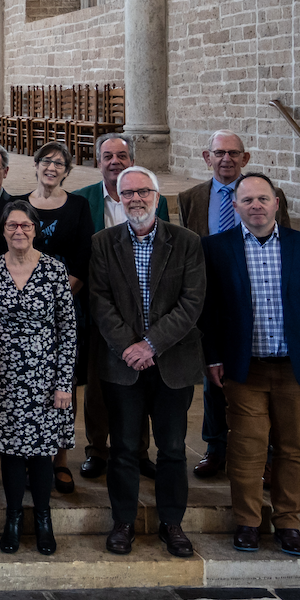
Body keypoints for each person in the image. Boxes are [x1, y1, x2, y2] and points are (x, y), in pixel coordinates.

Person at [202, 173, 300, 557]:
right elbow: (209, 311)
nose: (256, 206)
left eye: (263, 199)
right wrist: (213, 356)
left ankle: (289, 522)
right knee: (246, 447)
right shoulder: (216, 248)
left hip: (293, 366)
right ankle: (248, 522)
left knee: (291, 448)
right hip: (244, 368)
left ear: (277, 202)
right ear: (236, 206)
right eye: (247, 200)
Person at [90, 167, 205, 559]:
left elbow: (192, 302)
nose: (135, 199)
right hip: (123, 365)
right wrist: (129, 347)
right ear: (118, 198)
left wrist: (151, 345)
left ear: (157, 196)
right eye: (127, 193)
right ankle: (122, 522)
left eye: (143, 192)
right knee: (122, 447)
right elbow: (100, 301)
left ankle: (172, 523)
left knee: (172, 448)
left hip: (172, 363)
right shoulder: (103, 242)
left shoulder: (186, 242)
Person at [178, 130, 292, 481]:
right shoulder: (190, 197)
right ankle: (216, 447)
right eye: (219, 153)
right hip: (211, 296)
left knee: (260, 378)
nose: (226, 159)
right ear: (206, 157)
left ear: (245, 158)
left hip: (257, 293)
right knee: (214, 374)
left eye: (233, 153)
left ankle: (268, 454)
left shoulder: (266, 195)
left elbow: (282, 242)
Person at [0, 201, 77, 556]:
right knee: (11, 453)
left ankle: (43, 519)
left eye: (25, 226)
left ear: (35, 229)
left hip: (45, 376)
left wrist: (65, 383)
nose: (19, 231)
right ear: (3, 231)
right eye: (11, 226)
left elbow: (68, 329)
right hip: (2, 376)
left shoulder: (54, 271)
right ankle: (13, 518)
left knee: (42, 452)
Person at [73, 134, 165, 481]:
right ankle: (97, 449)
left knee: (138, 382)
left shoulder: (157, 200)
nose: (115, 161)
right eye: (108, 155)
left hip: (142, 311)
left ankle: (138, 450)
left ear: (132, 160)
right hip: (101, 308)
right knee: (98, 386)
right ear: (98, 161)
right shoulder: (83, 200)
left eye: (122, 155)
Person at [24, 142, 93, 495]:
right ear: (35, 166)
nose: (52, 167)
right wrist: (29, 301)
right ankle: (27, 452)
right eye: (46, 161)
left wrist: (55, 300)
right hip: (22, 312)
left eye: (59, 163)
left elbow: (82, 260)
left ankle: (61, 459)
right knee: (26, 382)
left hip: (66, 306)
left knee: (64, 380)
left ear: (67, 171)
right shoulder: (19, 204)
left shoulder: (79, 206)